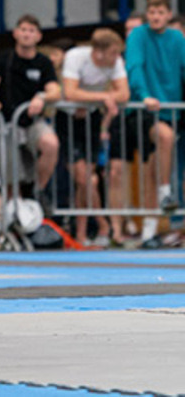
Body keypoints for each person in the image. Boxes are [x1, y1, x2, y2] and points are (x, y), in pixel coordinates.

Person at [61, 28, 129, 245]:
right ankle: (102, 223)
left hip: (90, 119)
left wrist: (91, 101)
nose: (117, 58)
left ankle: (81, 233)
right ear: (98, 53)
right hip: (67, 119)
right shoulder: (76, 57)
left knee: (89, 179)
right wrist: (103, 97)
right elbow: (70, 93)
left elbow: (124, 93)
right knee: (83, 178)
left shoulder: (115, 61)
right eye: (112, 53)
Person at [125, 0, 184, 240]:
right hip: (144, 109)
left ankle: (149, 233)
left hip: (173, 109)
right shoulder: (138, 35)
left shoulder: (177, 37)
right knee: (165, 137)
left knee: (153, 168)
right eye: (152, 12)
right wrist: (145, 95)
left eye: (160, 13)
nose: (156, 17)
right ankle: (164, 192)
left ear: (168, 15)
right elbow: (134, 66)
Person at [0, 15, 62, 199]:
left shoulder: (43, 62)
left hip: (32, 121)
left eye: (31, 30)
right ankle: (13, 213)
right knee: (10, 177)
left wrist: (41, 97)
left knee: (51, 144)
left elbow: (55, 90)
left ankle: (37, 190)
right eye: (23, 29)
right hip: (5, 123)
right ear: (15, 33)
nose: (26, 34)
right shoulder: (2, 60)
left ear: (38, 36)